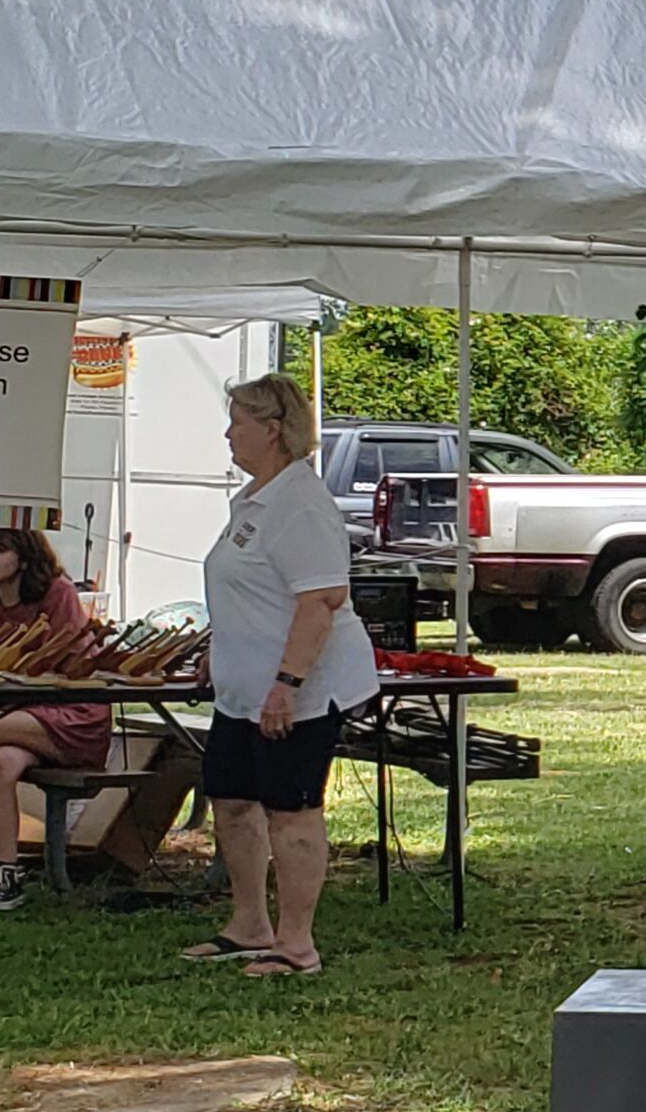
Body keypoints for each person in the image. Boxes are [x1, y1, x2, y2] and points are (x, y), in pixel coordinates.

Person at [181, 374, 378, 976]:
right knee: (232, 798)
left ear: (272, 429)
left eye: (238, 421)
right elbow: (249, 589)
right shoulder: (254, 497)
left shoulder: (300, 502)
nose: (227, 432)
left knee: (290, 808)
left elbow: (321, 600)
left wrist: (287, 685)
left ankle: (297, 945)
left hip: (298, 689)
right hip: (243, 688)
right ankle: (249, 924)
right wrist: (220, 646)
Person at [0, 529, 104, 910]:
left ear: (24, 557)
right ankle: (5, 874)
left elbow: (74, 667)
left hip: (72, 714)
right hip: (16, 715)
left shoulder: (57, 594)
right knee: (1, 763)